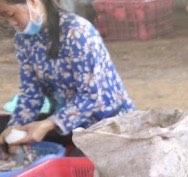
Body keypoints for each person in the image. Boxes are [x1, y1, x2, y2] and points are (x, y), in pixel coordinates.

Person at [0, 0, 134, 148]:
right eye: (5, 17)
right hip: (68, 124)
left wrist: (49, 123)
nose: (11, 22)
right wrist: (15, 127)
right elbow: (31, 94)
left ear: (32, 2)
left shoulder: (77, 31)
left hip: (108, 127)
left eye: (11, 14)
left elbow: (91, 96)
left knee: (83, 165)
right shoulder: (23, 41)